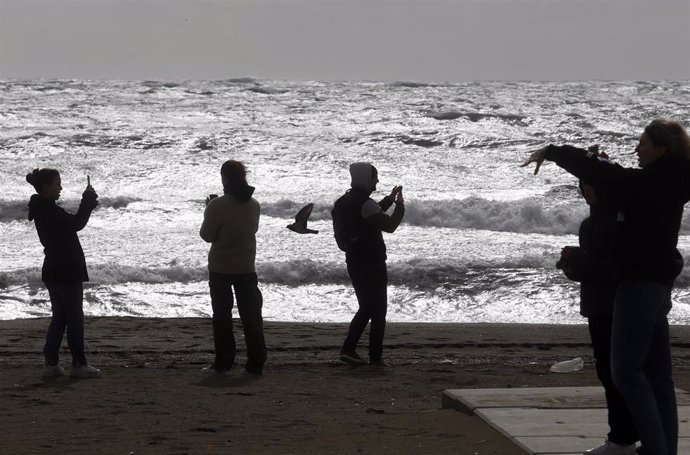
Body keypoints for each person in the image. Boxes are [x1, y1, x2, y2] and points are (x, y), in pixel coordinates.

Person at [522, 119, 690, 455]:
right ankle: (664, 450)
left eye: (643, 143)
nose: (636, 149)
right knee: (658, 378)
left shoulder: (648, 184)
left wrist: (555, 151)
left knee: (625, 372)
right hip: (655, 288)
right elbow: (606, 171)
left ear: (661, 148)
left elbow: (607, 175)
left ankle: (655, 450)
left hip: (638, 288)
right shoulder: (672, 182)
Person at [557, 169, 638, 455]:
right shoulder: (588, 224)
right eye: (583, 183)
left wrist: (582, 263)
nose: (587, 188)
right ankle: (623, 436)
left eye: (592, 183)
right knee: (607, 371)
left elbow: (617, 269)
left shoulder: (618, 221)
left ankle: (623, 438)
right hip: (596, 306)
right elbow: (593, 270)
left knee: (620, 373)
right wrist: (572, 266)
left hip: (618, 306)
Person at [26, 168, 101, 379]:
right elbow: (77, 223)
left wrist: (87, 203)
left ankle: (51, 364)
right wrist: (87, 202)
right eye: (57, 184)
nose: (60, 187)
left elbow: (74, 224)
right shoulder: (50, 211)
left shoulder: (43, 208)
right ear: (46, 186)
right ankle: (78, 364)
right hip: (66, 270)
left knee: (60, 318)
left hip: (53, 269)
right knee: (74, 318)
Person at [331, 162, 405, 366]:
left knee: (367, 306)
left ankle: (353, 350)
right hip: (372, 262)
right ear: (366, 179)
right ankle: (371, 355)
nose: (377, 181)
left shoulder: (344, 201)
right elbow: (388, 225)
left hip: (354, 260)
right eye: (375, 177)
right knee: (377, 310)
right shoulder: (365, 203)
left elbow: (369, 215)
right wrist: (399, 208)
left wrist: (389, 200)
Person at [199, 160, 266, 375]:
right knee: (251, 317)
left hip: (221, 267)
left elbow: (207, 235)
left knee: (222, 317)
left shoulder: (217, 205)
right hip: (246, 266)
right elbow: (248, 230)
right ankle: (256, 362)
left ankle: (223, 363)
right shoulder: (254, 204)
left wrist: (207, 209)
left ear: (224, 178)